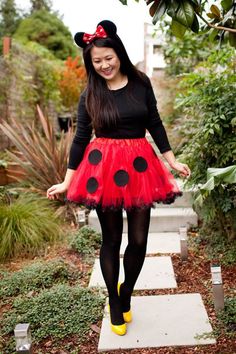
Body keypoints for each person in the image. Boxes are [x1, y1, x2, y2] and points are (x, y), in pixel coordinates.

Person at [47, 20, 191, 336]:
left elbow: (154, 122)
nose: (104, 65)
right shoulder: (90, 93)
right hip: (103, 168)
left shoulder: (141, 83)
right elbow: (81, 137)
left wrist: (172, 161)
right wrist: (68, 181)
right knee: (111, 239)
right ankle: (114, 300)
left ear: (118, 53)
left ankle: (127, 292)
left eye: (107, 58)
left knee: (139, 240)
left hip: (140, 166)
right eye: (96, 62)